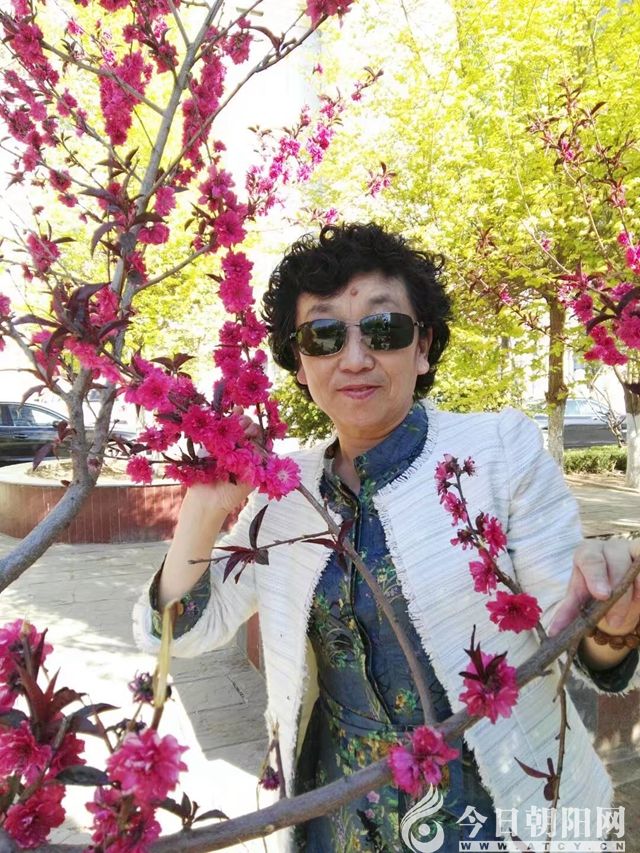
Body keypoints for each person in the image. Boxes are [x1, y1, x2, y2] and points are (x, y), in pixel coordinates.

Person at [133, 223, 640, 853]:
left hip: (494, 808)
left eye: (383, 329)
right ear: (300, 363)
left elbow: (571, 622)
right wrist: (204, 510)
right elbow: (184, 632)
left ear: (422, 347)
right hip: (338, 807)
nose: (354, 358)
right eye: (323, 335)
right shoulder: (284, 492)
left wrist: (612, 617)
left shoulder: (497, 450)